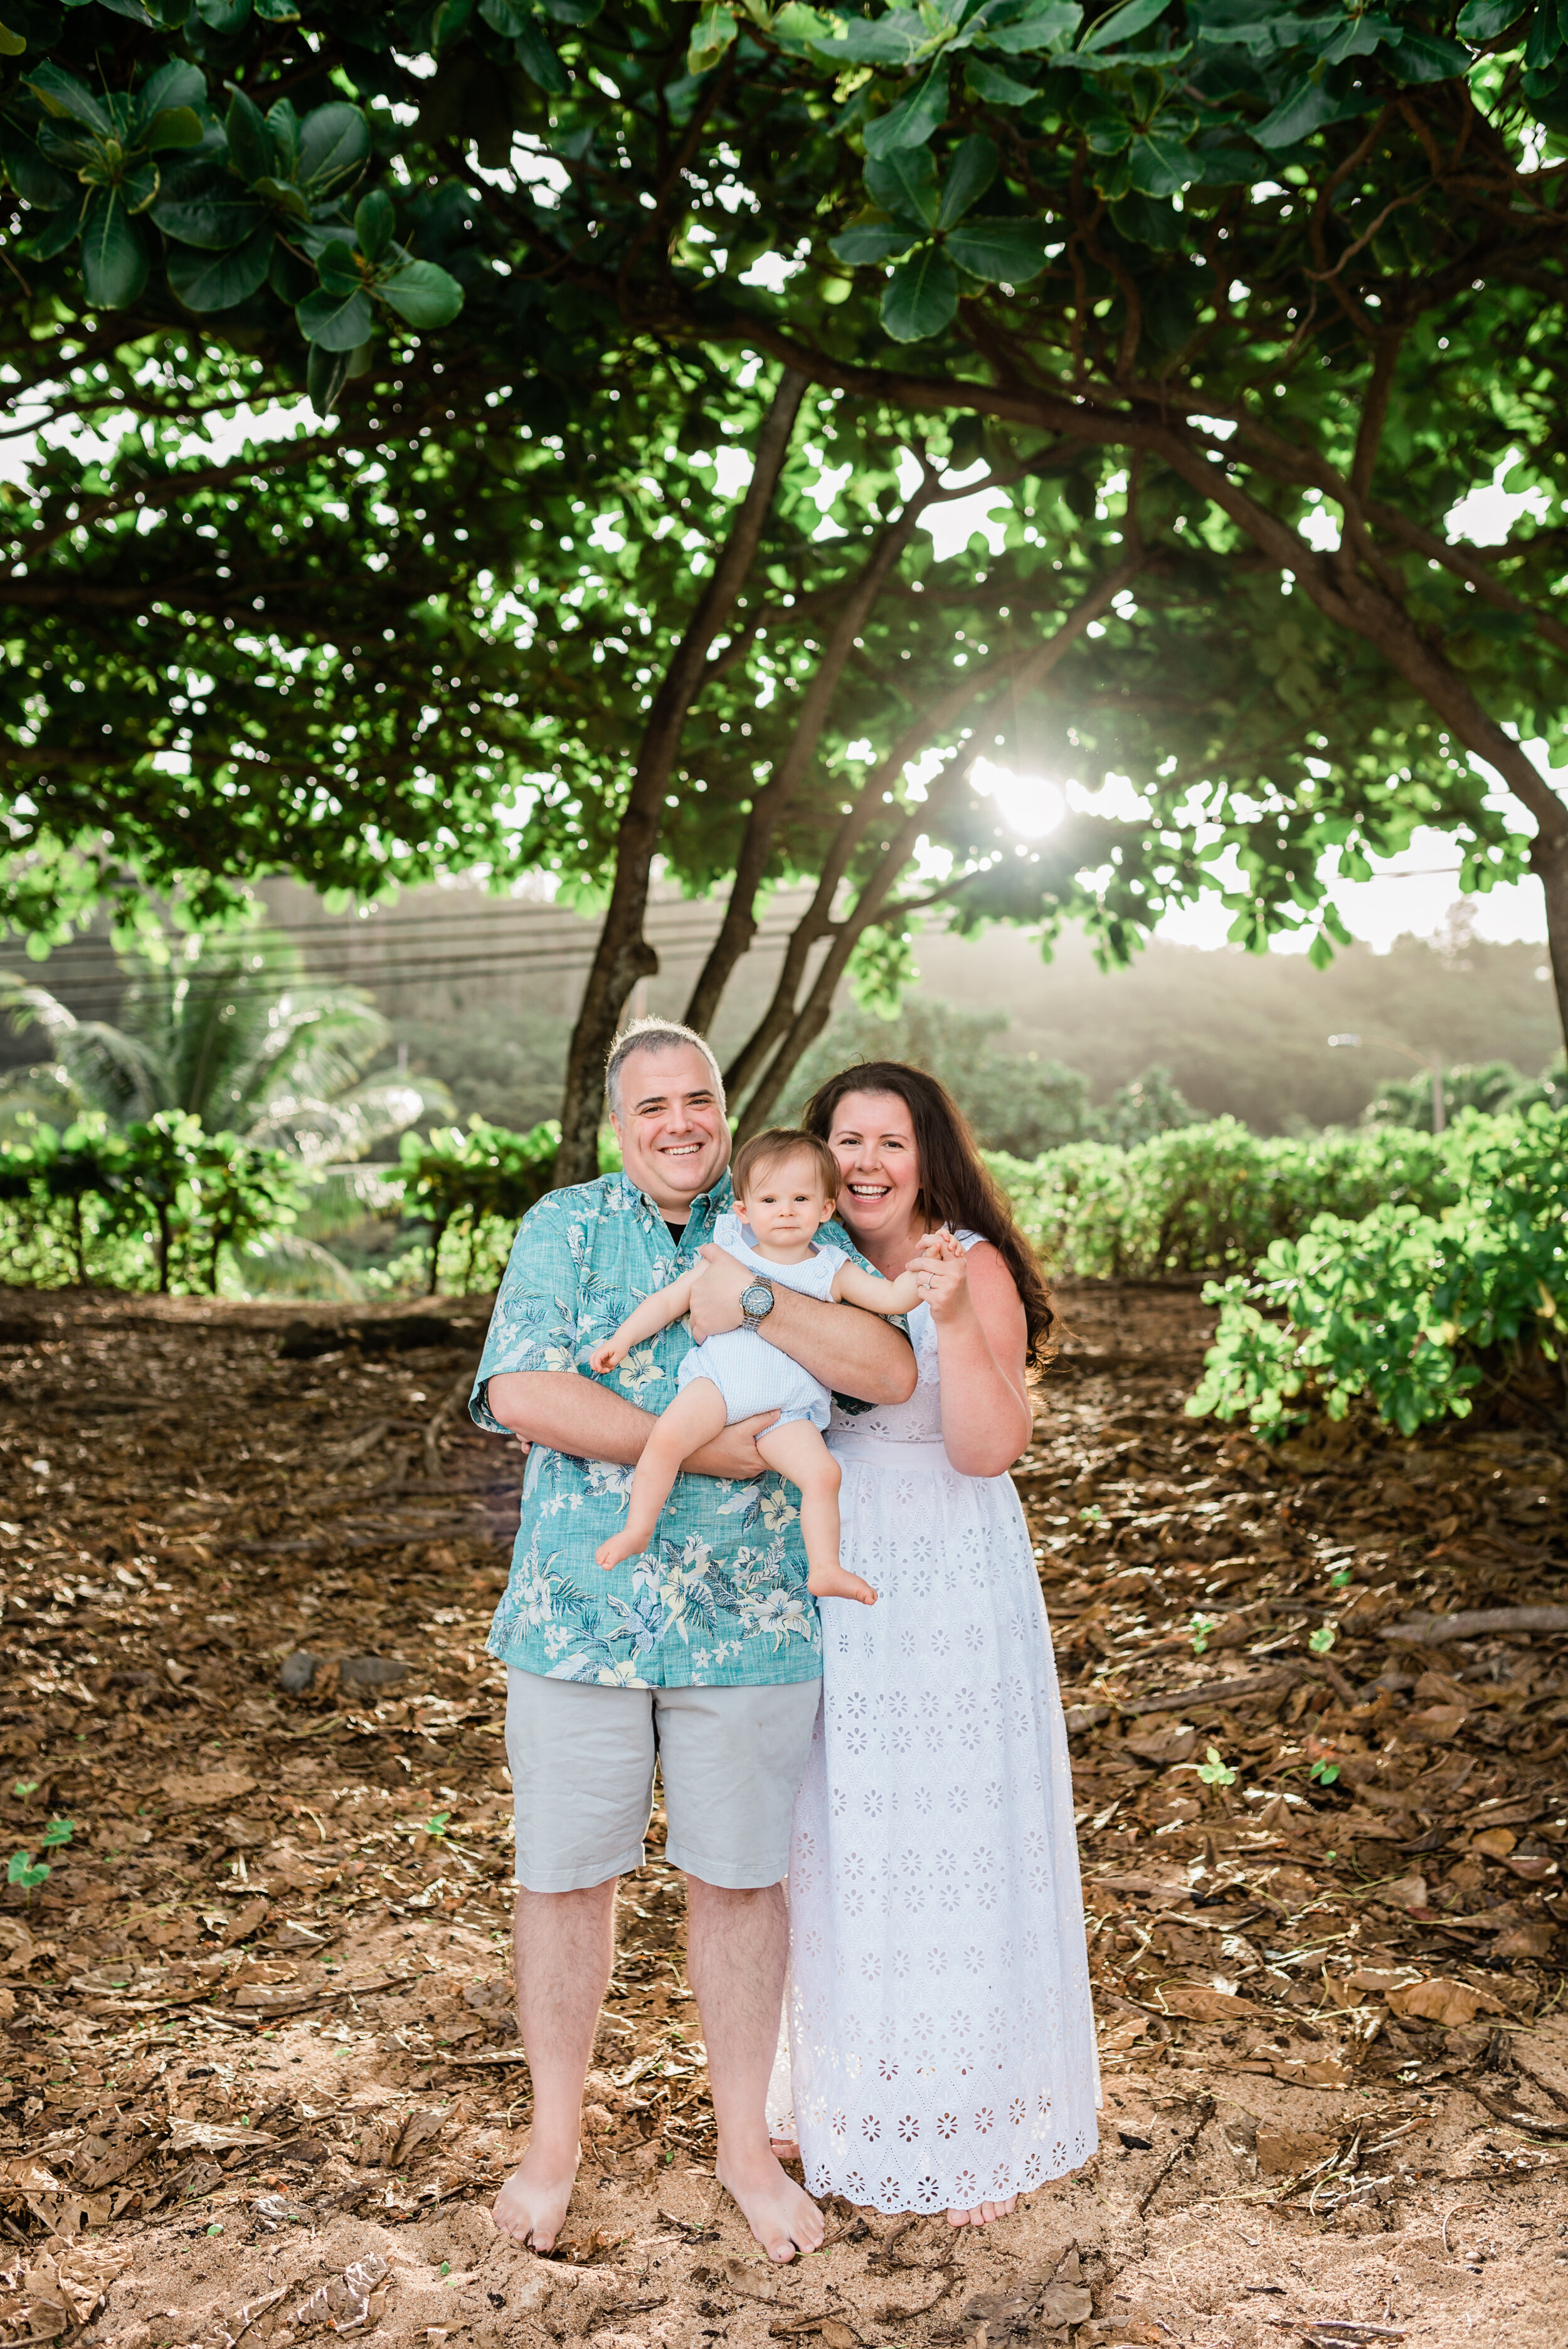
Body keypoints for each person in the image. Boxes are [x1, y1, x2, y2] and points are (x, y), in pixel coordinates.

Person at [469, 1020, 916, 2264]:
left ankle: (738, 2147)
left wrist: (765, 1296)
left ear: (727, 1108)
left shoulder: (783, 1214)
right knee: (564, 1879)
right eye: (653, 1104)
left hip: (753, 1618)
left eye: (698, 1099)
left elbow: (883, 1364)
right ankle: (554, 2142)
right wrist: (695, 1444)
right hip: (578, 1615)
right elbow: (522, 1392)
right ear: (621, 1125)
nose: (680, 1122)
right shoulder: (562, 1226)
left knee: (737, 1877)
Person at [776, 1062, 1099, 2229]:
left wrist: (953, 1314)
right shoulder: (798, 1256)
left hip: (948, 1566)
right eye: (845, 1139)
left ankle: (977, 2119)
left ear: (930, 1158)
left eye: (890, 1143)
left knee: (953, 1827)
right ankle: (859, 2093)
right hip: (830, 1558)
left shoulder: (965, 1261)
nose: (865, 1162)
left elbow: (985, 1448)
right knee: (847, 1827)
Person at [591, 1127, 936, 1606]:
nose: (786, 1210)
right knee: (666, 1440)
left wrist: (925, 1269)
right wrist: (621, 1339)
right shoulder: (728, 1255)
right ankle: (637, 1528)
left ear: (825, 1209)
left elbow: (892, 1296)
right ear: (744, 1211)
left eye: (801, 1198)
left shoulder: (831, 1267)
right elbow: (671, 1300)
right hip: (720, 1384)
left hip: (786, 1408)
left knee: (822, 1475)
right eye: (770, 1199)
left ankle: (825, 1568)